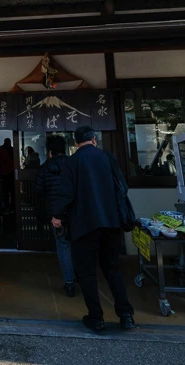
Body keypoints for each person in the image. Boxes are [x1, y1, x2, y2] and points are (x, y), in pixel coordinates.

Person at [52, 125, 135, 333]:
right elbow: (122, 188)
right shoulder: (108, 158)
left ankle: (96, 318)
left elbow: (66, 193)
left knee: (87, 273)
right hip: (111, 222)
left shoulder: (72, 162)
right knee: (112, 268)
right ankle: (126, 315)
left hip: (84, 225)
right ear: (94, 139)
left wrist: (57, 216)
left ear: (75, 142)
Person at [35, 135, 75, 297]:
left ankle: (70, 283)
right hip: (75, 211)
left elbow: (38, 190)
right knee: (77, 245)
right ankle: (82, 277)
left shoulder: (45, 168)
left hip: (56, 214)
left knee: (63, 246)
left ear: (50, 152)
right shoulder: (73, 164)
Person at [0, 138, 15, 212]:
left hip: (4, 173)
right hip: (11, 173)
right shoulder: (12, 150)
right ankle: (13, 207)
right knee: (12, 191)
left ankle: (6, 206)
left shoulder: (0, 149)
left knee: (5, 191)